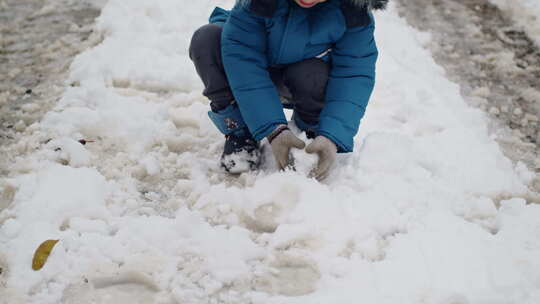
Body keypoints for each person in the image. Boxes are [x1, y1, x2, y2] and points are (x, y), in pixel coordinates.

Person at [189, 0, 386, 180]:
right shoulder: (255, 5)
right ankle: (241, 133)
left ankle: (308, 131)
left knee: (311, 72)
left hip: (304, 80)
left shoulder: (352, 12)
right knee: (207, 39)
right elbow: (245, 63)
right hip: (250, 78)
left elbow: (352, 76)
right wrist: (273, 130)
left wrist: (332, 136)